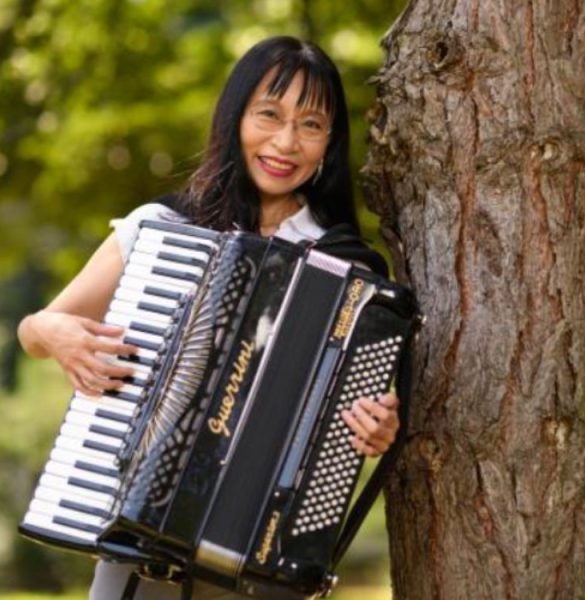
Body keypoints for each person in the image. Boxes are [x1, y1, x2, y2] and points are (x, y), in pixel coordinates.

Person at [17, 36, 401, 599]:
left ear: (330, 143)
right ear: (235, 117)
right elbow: (37, 328)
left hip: (263, 560)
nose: (286, 142)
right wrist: (52, 332)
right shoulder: (163, 228)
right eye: (268, 115)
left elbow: (351, 416)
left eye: (311, 125)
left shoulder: (349, 268)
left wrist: (376, 428)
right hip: (138, 553)